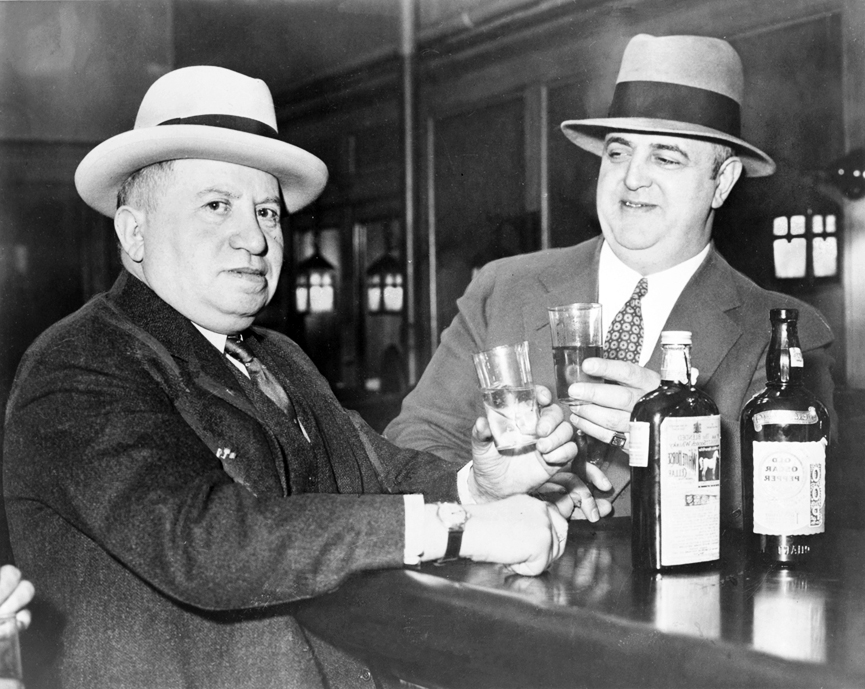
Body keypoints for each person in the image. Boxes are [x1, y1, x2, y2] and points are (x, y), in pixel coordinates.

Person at [2, 66, 588, 689]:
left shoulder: (275, 354)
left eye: (266, 212)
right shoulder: (79, 362)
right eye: (216, 206)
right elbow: (206, 542)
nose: (254, 238)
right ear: (134, 232)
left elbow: (376, 473)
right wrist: (460, 529)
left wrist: (477, 485)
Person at [385, 34, 836, 529]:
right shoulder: (503, 289)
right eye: (618, 153)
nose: (632, 178)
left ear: (722, 181)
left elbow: (797, 504)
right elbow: (406, 452)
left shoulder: (781, 332)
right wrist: (495, 490)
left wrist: (674, 445)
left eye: (665, 158)